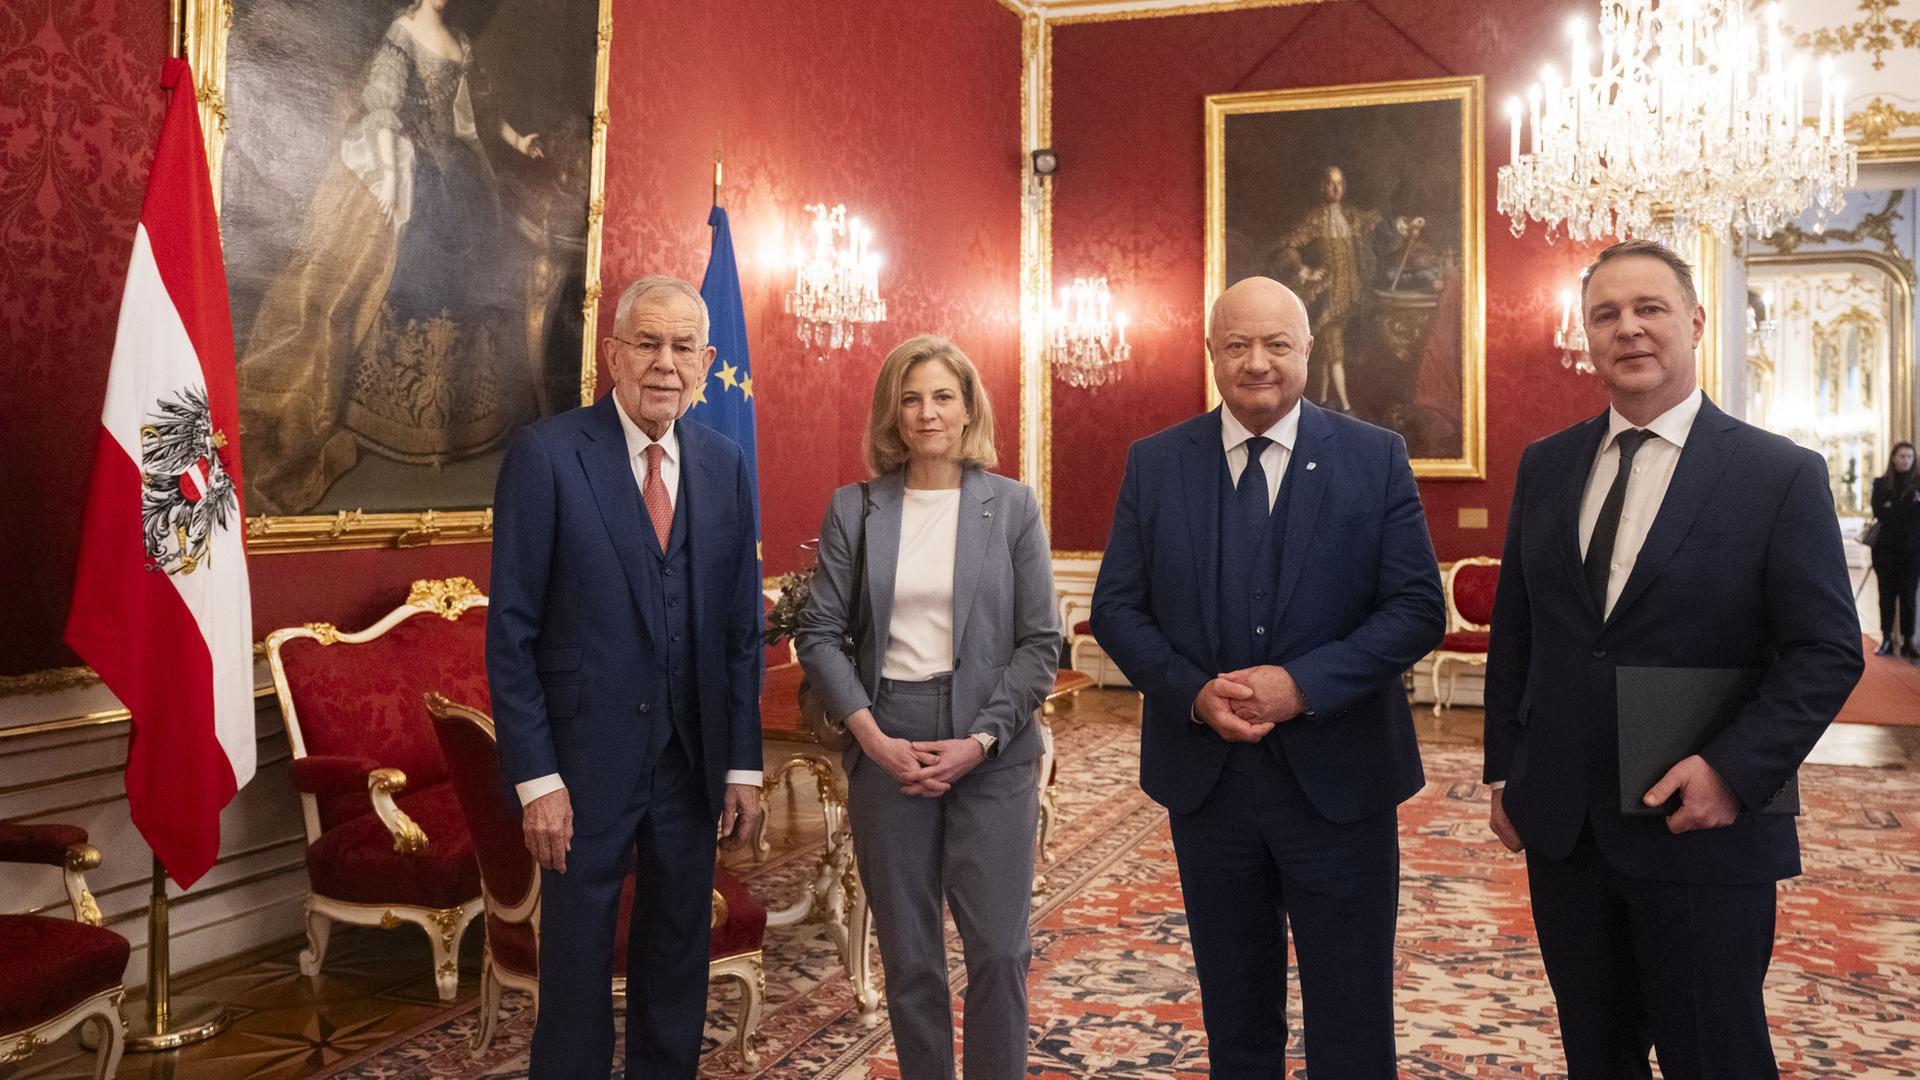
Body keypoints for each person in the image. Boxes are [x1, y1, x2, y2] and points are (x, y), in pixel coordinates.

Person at [1483, 239, 1865, 1079]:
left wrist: (1734, 772)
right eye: (1606, 315)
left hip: (1703, 830)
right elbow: (1520, 634)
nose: (1629, 329)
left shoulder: (1778, 474)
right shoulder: (1547, 466)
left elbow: (1826, 650)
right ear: (1587, 337)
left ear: (1694, 322)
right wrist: (1506, 773)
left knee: (1716, 1055)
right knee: (1597, 1055)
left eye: (1650, 308)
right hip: (1567, 833)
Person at [1090, 276, 1445, 1078]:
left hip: (1342, 780)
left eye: (1277, 344)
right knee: (1235, 1015)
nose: (1258, 363)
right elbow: (1116, 608)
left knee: (1352, 1020)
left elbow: (1419, 608)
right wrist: (1191, 692)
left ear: (1308, 351)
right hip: (1208, 786)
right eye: (1238, 344)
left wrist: (1303, 685)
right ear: (1211, 351)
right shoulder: (1155, 463)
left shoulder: (1374, 456)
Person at [487, 275, 765, 1078]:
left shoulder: (724, 463)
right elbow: (511, 634)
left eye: (683, 347)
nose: (665, 364)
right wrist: (537, 779)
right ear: (613, 355)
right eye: (647, 343)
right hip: (579, 773)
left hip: (689, 766)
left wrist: (742, 764)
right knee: (574, 977)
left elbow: (739, 632)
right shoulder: (547, 455)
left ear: (708, 363)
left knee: (677, 966)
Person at [796, 334, 1059, 1080]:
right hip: (888, 739)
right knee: (911, 958)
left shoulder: (1010, 507)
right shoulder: (857, 509)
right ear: (892, 412)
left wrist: (980, 739)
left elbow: (1041, 642)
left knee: (1000, 951)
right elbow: (819, 632)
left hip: (993, 747)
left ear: (968, 405)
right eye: (910, 398)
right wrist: (870, 736)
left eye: (943, 395)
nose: (926, 412)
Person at [238, 0, 547, 514]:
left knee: (469, 284)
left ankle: (449, 418)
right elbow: (380, 106)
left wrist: (518, 138)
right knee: (402, 277)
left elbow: (474, 115)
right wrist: (389, 169)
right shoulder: (402, 31)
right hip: (413, 169)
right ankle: (382, 413)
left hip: (456, 174)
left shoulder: (461, 43)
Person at [1276, 165, 1382, 413]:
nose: (1336, 189)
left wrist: (1405, 223)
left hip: (1353, 291)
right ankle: (1345, 407)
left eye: (1340, 184)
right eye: (1331, 183)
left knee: (1327, 345)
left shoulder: (1352, 216)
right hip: (1329, 295)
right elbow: (1289, 245)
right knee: (1333, 344)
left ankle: (1322, 401)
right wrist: (1305, 270)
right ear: (1322, 187)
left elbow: (1377, 221)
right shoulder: (1316, 219)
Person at [1869, 441, 1920, 657]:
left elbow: (1895, 513)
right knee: (1886, 595)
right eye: (1902, 456)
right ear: (1893, 458)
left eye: (1910, 456)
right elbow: (1881, 513)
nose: (1905, 460)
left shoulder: (1918, 484)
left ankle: (1909, 641)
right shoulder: (1881, 484)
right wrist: (1909, 505)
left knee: (1908, 596)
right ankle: (1887, 639)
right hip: (1885, 549)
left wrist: (1895, 507)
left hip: (1912, 550)